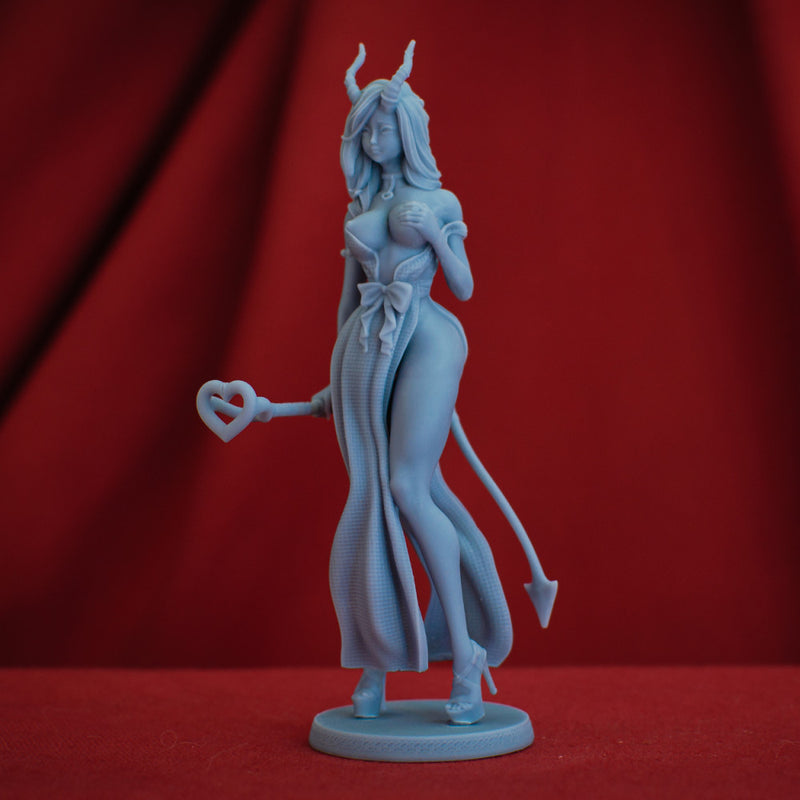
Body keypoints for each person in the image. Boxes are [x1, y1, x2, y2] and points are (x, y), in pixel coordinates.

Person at [311, 41, 512, 726]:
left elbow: (465, 287)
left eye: (385, 126)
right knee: (373, 494)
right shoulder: (358, 207)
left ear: (408, 130)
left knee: (405, 485)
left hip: (426, 339)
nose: (375, 138)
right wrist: (335, 378)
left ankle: (465, 655)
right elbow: (348, 300)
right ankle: (376, 662)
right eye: (365, 129)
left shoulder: (437, 199)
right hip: (369, 347)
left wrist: (438, 237)